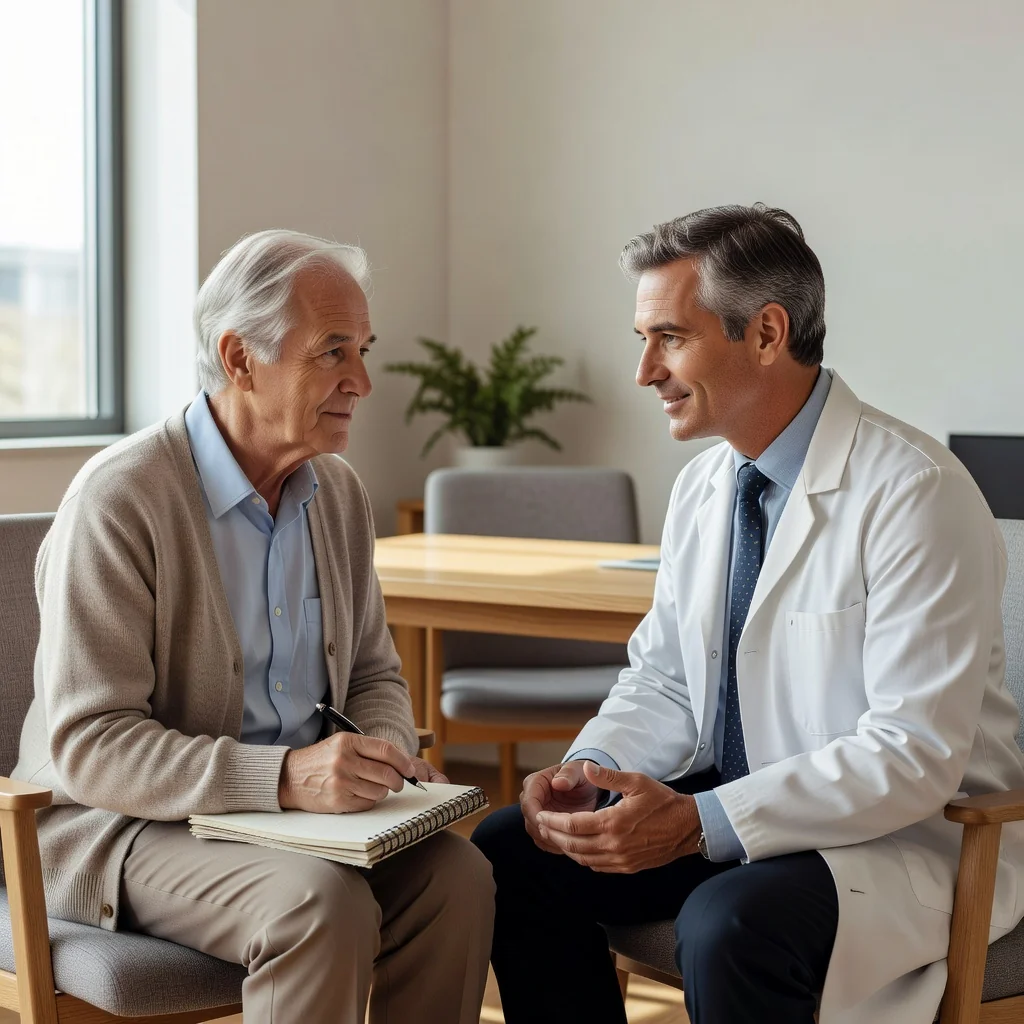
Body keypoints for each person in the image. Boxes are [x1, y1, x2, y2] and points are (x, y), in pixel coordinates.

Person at [472, 204, 1024, 1024]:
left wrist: (701, 822)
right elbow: (664, 678)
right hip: (739, 806)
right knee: (513, 849)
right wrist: (588, 771)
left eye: (668, 337)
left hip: (894, 837)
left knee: (728, 923)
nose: (644, 371)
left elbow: (913, 753)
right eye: (643, 339)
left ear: (765, 333)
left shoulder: (916, 492)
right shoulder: (705, 486)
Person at [13, 229, 494, 1024]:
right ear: (240, 359)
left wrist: (388, 763)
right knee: (317, 903)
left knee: (458, 878)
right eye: (333, 352)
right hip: (121, 829)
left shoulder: (335, 495)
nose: (362, 381)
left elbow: (373, 672)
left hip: (298, 824)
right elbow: (89, 744)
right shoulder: (121, 500)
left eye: (363, 350)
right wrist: (282, 780)